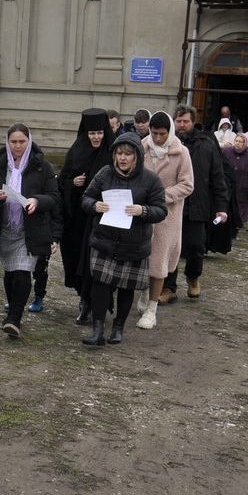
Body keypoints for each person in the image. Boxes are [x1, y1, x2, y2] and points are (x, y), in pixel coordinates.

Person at [79, 133, 167, 346]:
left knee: (126, 287)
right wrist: (94, 206)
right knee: (99, 284)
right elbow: (86, 198)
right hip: (104, 240)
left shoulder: (150, 179)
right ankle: (98, 329)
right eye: (119, 153)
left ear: (137, 156)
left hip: (134, 244)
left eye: (128, 154)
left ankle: (118, 327)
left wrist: (143, 210)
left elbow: (161, 210)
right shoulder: (105, 174)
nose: (123, 158)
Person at [0, 123, 61, 338]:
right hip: (5, 227)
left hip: (29, 229)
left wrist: (36, 200)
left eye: (22, 142)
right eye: (13, 142)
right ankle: (13, 307)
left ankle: (14, 319)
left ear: (29, 141)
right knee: (10, 272)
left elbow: (54, 196)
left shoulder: (42, 166)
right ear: (7, 142)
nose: (17, 146)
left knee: (23, 271)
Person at [162, 106, 229, 303]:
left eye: (186, 121)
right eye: (179, 121)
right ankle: (168, 287)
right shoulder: (167, 144)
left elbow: (218, 176)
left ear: (193, 122)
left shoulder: (206, 144)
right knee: (169, 247)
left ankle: (193, 278)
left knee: (196, 247)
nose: (182, 125)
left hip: (198, 205)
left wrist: (221, 206)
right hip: (172, 204)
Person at [136, 111, 193, 330]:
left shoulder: (181, 152)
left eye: (162, 134)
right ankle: (143, 291)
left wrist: (162, 195)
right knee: (141, 257)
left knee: (159, 263)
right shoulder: (142, 147)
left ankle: (152, 308)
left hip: (167, 217)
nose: (157, 138)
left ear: (169, 132)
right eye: (154, 133)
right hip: (142, 212)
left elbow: (187, 185)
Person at [58, 109, 115, 324]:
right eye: (91, 133)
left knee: (96, 263)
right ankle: (83, 299)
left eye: (99, 132)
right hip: (78, 219)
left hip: (102, 218)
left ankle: (94, 303)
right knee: (76, 261)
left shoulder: (112, 152)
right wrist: (73, 183)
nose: (96, 137)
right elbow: (62, 179)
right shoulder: (77, 150)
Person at [222, 133, 248, 228]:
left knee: (241, 210)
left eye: (240, 142)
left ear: (245, 143)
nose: (238, 143)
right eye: (236, 141)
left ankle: (237, 226)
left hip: (243, 188)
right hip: (228, 186)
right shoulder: (226, 151)